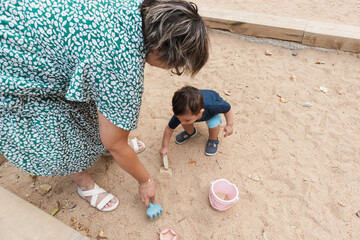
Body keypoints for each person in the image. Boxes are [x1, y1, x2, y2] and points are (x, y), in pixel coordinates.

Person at [0, 0, 209, 212]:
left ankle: (96, 148)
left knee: (96, 104)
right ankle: (83, 183)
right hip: (11, 60)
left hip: (18, 15)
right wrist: (145, 181)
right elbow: (116, 143)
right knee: (57, 122)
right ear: (158, 50)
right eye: (175, 65)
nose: (172, 68)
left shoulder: (132, 6)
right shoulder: (121, 67)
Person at [160, 86, 233, 157]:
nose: (182, 122)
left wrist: (229, 124)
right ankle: (190, 132)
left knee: (213, 125)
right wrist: (164, 147)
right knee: (186, 123)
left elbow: (227, 108)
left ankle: (213, 139)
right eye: (179, 119)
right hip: (195, 107)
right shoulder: (182, 114)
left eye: (186, 119)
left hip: (211, 112)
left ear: (200, 112)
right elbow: (169, 129)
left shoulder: (214, 106)